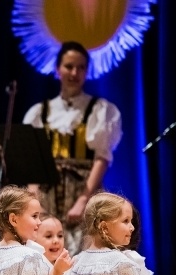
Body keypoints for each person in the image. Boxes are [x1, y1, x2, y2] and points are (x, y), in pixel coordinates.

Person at [22, 41, 123, 256]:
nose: (74, 72)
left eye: (81, 67)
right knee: (44, 255)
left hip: (82, 190)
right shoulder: (40, 112)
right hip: (48, 192)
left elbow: (102, 158)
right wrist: (33, 198)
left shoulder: (100, 110)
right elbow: (33, 160)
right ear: (58, 69)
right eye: (69, 66)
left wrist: (83, 201)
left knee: (81, 256)